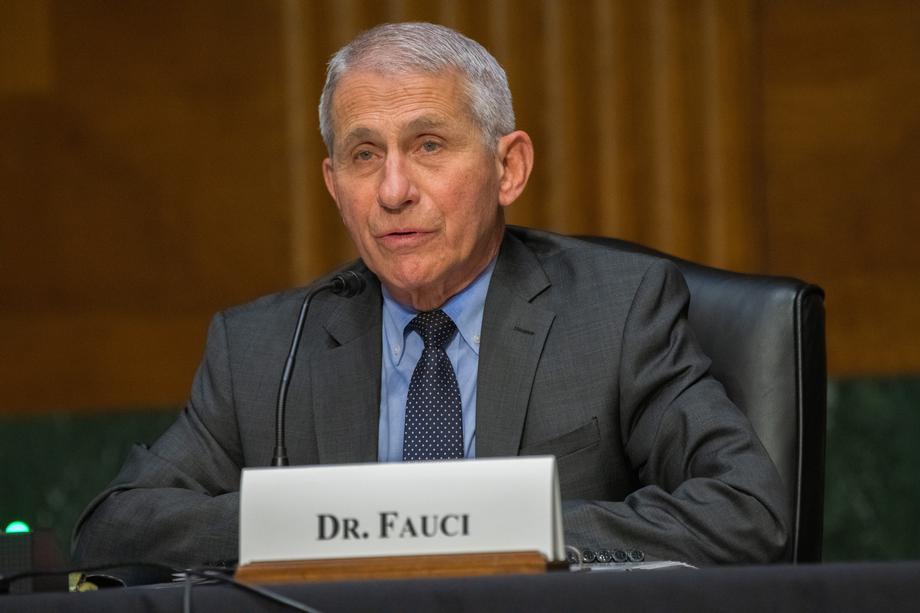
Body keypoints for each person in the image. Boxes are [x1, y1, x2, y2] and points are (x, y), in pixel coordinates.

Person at [73, 22, 787, 569]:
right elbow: (116, 526)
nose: (392, 190)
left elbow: (745, 508)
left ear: (509, 168)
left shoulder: (617, 311)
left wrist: (489, 528)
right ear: (334, 187)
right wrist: (329, 527)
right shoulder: (261, 349)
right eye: (364, 155)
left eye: (428, 145)